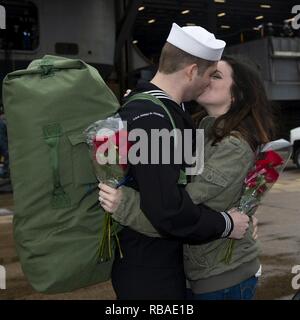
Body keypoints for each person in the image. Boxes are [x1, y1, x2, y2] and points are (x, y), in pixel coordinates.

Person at [99, 56, 275, 300]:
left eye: (216, 75)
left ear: (237, 94)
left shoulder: (232, 146)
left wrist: (124, 204)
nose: (206, 77)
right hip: (199, 273)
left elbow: (177, 211)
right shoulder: (201, 130)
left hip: (222, 277)